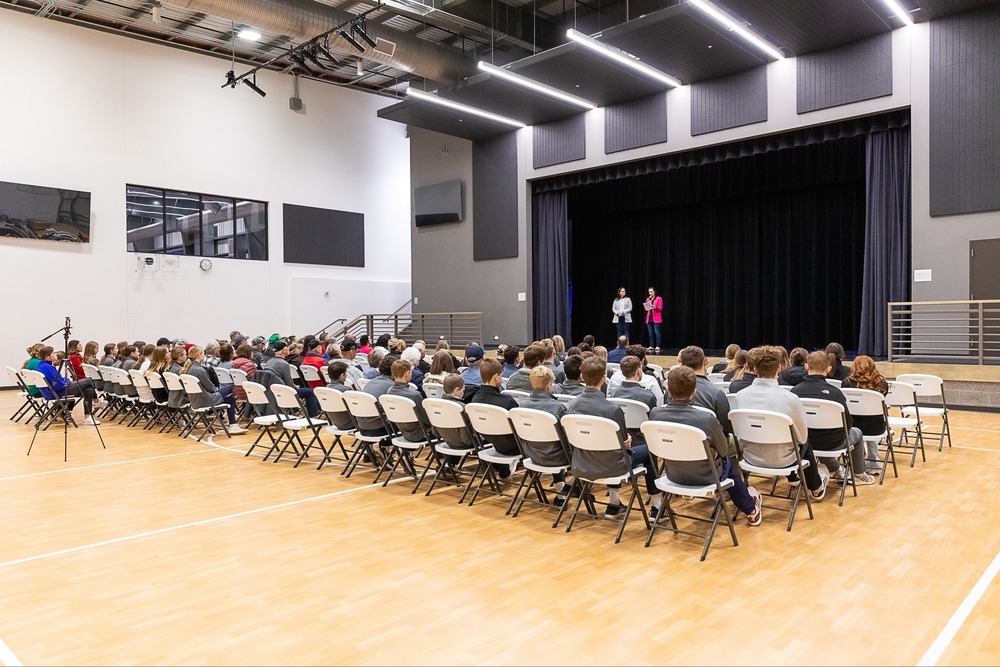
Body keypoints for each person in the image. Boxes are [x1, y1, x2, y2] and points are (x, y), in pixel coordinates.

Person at [650, 366, 762, 525]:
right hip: (706, 477)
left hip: (672, 475)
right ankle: (750, 509)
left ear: (668, 390)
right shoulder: (706, 418)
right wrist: (712, 451)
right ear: (694, 391)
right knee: (727, 462)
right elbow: (723, 450)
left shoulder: (655, 414)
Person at [566, 357, 663, 518]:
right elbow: (624, 444)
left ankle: (615, 504)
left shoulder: (571, 405)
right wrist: (628, 441)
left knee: (613, 450)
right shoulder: (612, 409)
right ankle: (657, 506)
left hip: (580, 462)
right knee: (650, 449)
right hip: (611, 466)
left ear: (582, 377)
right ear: (603, 378)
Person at [732, 345, 829, 501]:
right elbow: (802, 438)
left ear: (755, 370)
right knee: (805, 442)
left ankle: (800, 480)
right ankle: (816, 487)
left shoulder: (740, 396)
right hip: (784, 460)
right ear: (779, 368)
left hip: (750, 457)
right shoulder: (790, 399)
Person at [791, 351, 875, 485]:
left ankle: (835, 468)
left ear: (806, 366)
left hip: (804, 443)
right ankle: (859, 474)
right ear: (828, 369)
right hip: (832, 442)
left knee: (820, 437)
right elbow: (847, 423)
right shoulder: (835, 393)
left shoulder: (794, 391)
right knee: (857, 433)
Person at [468, 358, 518, 479]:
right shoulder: (506, 402)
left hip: (489, 440)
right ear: (496, 377)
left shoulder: (475, 399)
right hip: (512, 447)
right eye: (501, 375)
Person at [182, 346, 246, 434]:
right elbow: (211, 388)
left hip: (195, 400)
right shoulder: (200, 370)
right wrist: (219, 390)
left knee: (230, 396)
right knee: (229, 389)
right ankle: (232, 424)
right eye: (203, 354)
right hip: (206, 400)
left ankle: (231, 423)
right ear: (199, 355)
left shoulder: (188, 369)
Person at [844, 354, 890, 475]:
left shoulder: (847, 383)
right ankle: (873, 463)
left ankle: (856, 464)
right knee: (872, 417)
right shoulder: (882, 383)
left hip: (852, 426)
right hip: (875, 427)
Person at [676, 345, 733, 440]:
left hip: (677, 442)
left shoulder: (671, 391)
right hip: (707, 446)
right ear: (705, 362)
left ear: (681, 363)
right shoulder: (717, 394)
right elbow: (725, 428)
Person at [35, 345, 101, 425]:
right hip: (57, 392)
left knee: (88, 390)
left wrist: (65, 381)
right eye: (53, 353)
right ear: (47, 357)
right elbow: (58, 385)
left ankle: (88, 416)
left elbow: (57, 380)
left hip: (53, 392)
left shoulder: (43, 365)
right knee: (88, 381)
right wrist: (68, 382)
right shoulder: (47, 367)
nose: (55, 354)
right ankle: (97, 400)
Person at [263, 341, 320, 417]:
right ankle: (313, 417)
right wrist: (296, 387)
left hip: (272, 391)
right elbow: (289, 384)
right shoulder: (283, 364)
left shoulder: (269, 362)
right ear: (284, 350)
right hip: (285, 391)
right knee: (310, 392)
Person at [644, 286, 663, 352]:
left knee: (657, 332)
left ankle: (658, 345)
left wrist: (655, 307)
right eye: (649, 292)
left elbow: (660, 308)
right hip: (649, 317)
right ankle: (651, 345)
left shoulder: (658, 298)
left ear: (654, 292)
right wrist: (648, 305)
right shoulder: (648, 299)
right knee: (650, 332)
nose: (650, 293)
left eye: (651, 291)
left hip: (656, 318)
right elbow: (646, 308)